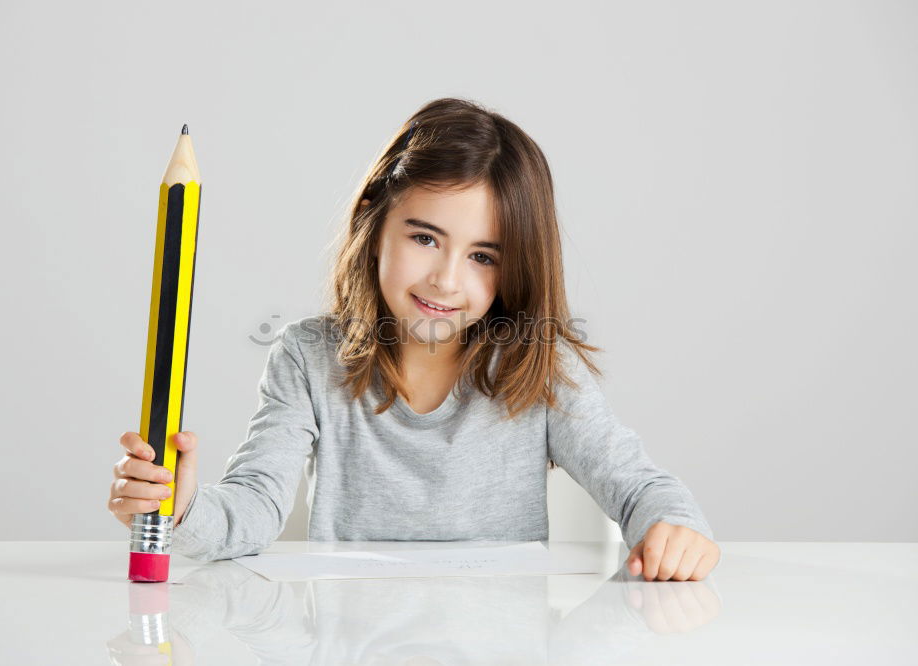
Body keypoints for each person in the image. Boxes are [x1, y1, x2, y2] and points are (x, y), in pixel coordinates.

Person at [108, 97, 720, 582]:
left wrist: (674, 528)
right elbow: (253, 509)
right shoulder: (307, 357)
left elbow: (637, 484)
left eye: (483, 256)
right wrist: (180, 509)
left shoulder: (540, 365)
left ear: (518, 266)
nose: (446, 280)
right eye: (424, 238)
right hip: (351, 640)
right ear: (375, 221)